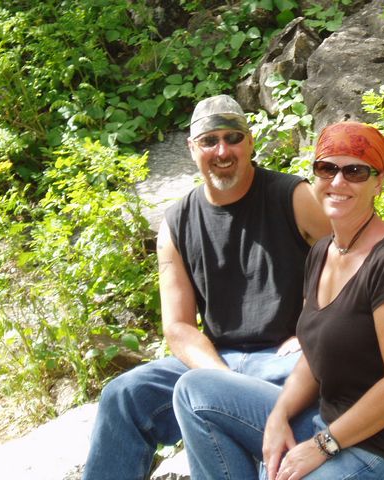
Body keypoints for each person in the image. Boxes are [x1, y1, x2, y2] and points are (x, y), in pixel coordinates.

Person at [174, 121, 384, 479]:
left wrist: (322, 445)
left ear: (378, 182)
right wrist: (279, 415)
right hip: (326, 423)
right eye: (326, 168)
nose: (338, 182)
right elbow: (312, 358)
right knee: (194, 390)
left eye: (356, 172)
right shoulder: (322, 251)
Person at [82, 94, 330, 480]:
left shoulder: (292, 197)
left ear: (250, 142)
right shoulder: (176, 224)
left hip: (285, 359)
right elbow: (178, 327)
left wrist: (312, 329)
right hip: (216, 359)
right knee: (123, 395)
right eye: (209, 141)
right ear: (191, 148)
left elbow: (347, 268)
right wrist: (220, 380)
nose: (222, 151)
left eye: (233, 138)